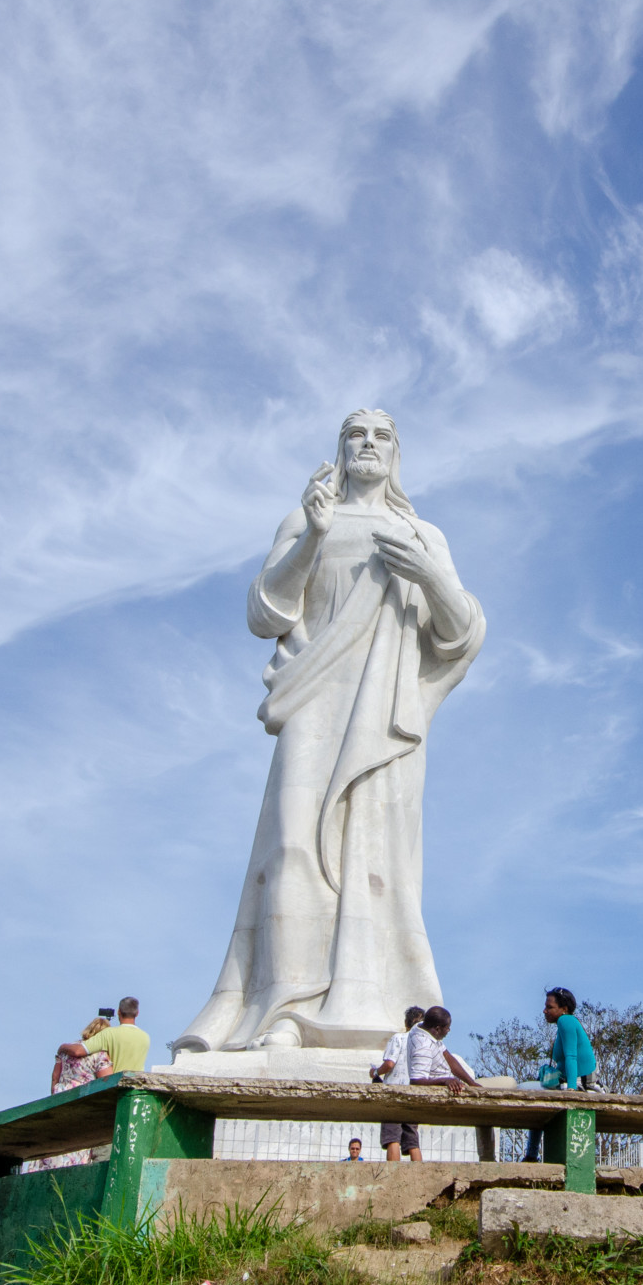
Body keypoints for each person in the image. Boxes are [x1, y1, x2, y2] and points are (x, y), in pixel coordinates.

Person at [174, 410, 485, 1054]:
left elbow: (461, 633)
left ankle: (377, 1009)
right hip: (313, 699)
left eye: (381, 435)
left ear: (396, 454)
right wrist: (313, 537)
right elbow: (265, 612)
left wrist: (431, 576)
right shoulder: (307, 517)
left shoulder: (422, 532)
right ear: (339, 450)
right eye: (355, 434)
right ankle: (281, 1012)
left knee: (377, 858)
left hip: (385, 715)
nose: (368, 444)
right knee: (292, 846)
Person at [23, 1015, 114, 1172]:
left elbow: (54, 1077)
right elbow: (107, 1082)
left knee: (53, 1145)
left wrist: (57, 1093)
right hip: (82, 1102)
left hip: (60, 1098)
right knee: (76, 1147)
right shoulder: (99, 1054)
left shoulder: (66, 1051)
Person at [524, 988, 597, 1163]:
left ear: (563, 1008)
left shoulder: (566, 1021)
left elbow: (572, 1056)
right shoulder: (565, 1023)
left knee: (524, 1091)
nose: (544, 1011)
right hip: (568, 1079)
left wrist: (572, 1088)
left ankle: (532, 1155)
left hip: (579, 1082)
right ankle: (531, 1154)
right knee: (532, 1096)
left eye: (549, 1007)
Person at [373, 1005, 426, 1162]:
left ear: (406, 1022)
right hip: (414, 1093)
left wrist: (376, 1072)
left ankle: (393, 1174)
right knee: (412, 1139)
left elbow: (389, 1064)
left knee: (392, 1137)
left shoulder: (398, 1038)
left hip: (394, 1092)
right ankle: (418, 1174)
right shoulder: (423, 1044)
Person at [59, 997, 150, 1075]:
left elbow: (78, 1051)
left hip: (117, 1088)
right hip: (137, 1088)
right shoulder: (145, 1037)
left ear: (118, 1011)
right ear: (137, 1013)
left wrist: (63, 1047)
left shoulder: (109, 1033)